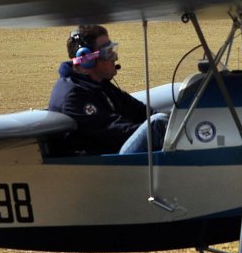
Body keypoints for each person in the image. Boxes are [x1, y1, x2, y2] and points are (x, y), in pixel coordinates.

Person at [48, 25, 168, 155]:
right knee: (158, 125)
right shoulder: (73, 96)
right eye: (108, 51)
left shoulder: (101, 85)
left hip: (116, 155)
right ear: (87, 59)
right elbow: (115, 133)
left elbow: (142, 112)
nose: (115, 57)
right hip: (102, 166)